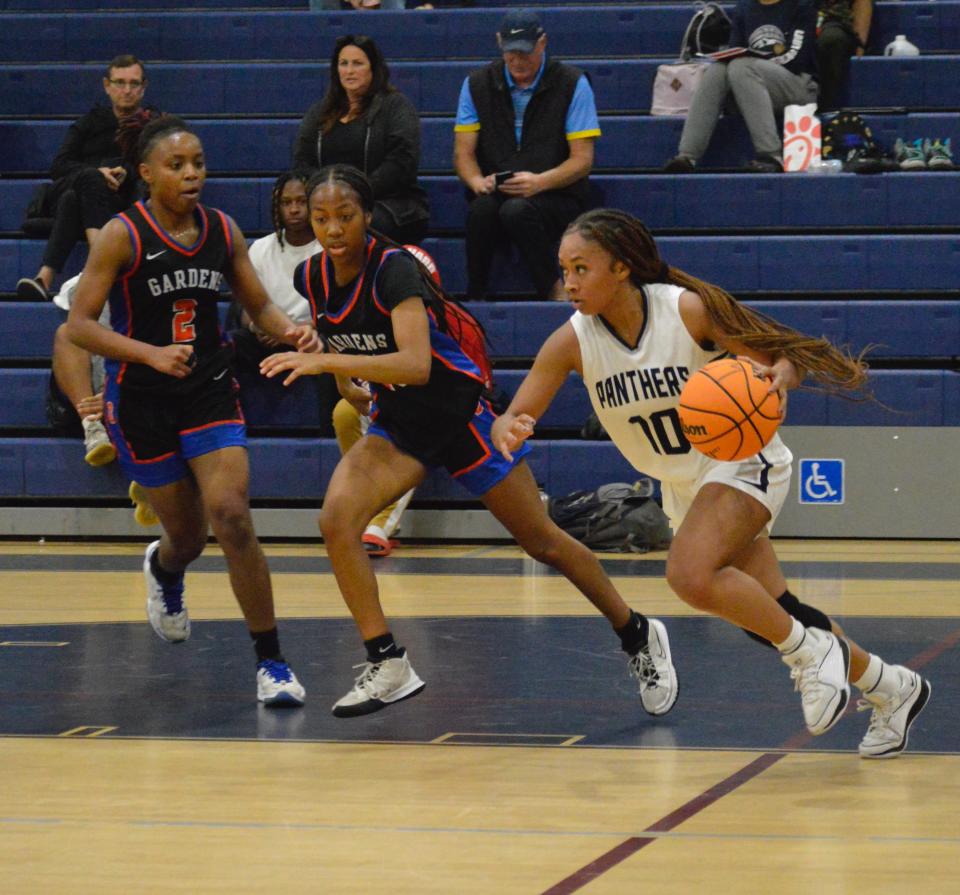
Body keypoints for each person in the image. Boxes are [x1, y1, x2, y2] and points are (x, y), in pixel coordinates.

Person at [492, 208, 931, 757]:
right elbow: (515, 412)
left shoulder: (686, 310)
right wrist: (510, 426)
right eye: (565, 269)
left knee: (690, 576)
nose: (570, 283)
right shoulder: (571, 341)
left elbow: (783, 355)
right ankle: (893, 687)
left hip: (742, 458)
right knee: (770, 612)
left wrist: (779, 377)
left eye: (582, 268)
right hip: (684, 484)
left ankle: (812, 653)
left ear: (622, 268)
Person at [260, 165, 678, 719]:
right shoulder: (310, 276)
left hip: (460, 416)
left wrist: (325, 360)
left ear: (367, 217)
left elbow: (414, 364)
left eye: (345, 216)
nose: (333, 229)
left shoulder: (395, 270)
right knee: (337, 519)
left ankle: (637, 633)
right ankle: (387, 661)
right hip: (400, 424)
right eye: (321, 218)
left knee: (544, 542)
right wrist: (345, 384)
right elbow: (344, 346)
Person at [65, 116, 319, 706]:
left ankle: (272, 662)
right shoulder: (122, 235)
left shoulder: (221, 229)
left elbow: (258, 306)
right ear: (147, 173)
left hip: (208, 388)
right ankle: (165, 569)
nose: (192, 174)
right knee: (187, 538)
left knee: (231, 515)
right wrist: (149, 354)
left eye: (199, 163)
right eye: (178, 165)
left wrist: (294, 334)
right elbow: (79, 326)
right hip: (143, 401)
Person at [453, 9, 600, 301]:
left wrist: (540, 182)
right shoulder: (476, 84)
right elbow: (463, 154)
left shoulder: (573, 84)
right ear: (499, 43)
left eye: (526, 53)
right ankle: (475, 294)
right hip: (499, 190)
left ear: (542, 44)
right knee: (481, 210)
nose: (518, 61)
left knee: (516, 211)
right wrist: (477, 182)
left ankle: (553, 290)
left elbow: (582, 160)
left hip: (558, 194)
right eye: (511, 54)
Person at [17, 55, 156, 301]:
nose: (126, 90)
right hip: (89, 191)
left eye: (134, 84)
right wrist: (96, 173)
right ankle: (103, 264)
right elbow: (59, 166)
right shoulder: (89, 123)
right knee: (89, 179)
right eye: (119, 82)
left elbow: (158, 166)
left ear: (143, 88)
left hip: (122, 202)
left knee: (73, 198)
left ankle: (45, 278)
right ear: (106, 86)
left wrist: (128, 171)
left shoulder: (152, 125)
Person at [293, 34, 428, 245]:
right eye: (343, 64)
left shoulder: (396, 106)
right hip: (330, 203)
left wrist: (354, 193)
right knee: (295, 218)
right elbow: (302, 161)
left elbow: (401, 163)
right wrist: (328, 192)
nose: (349, 71)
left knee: (358, 223)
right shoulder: (320, 111)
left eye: (357, 64)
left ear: (373, 68)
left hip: (390, 204)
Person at [664, 0, 819, 173]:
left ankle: (771, 155)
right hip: (750, 86)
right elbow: (734, 50)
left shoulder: (802, 6)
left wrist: (755, 62)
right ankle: (687, 156)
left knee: (742, 66)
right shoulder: (744, 7)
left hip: (798, 86)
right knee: (717, 70)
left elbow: (796, 61)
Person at [816, 0, 872, 112]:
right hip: (791, 20)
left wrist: (859, 45)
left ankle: (824, 111)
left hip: (834, 21)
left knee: (832, 40)